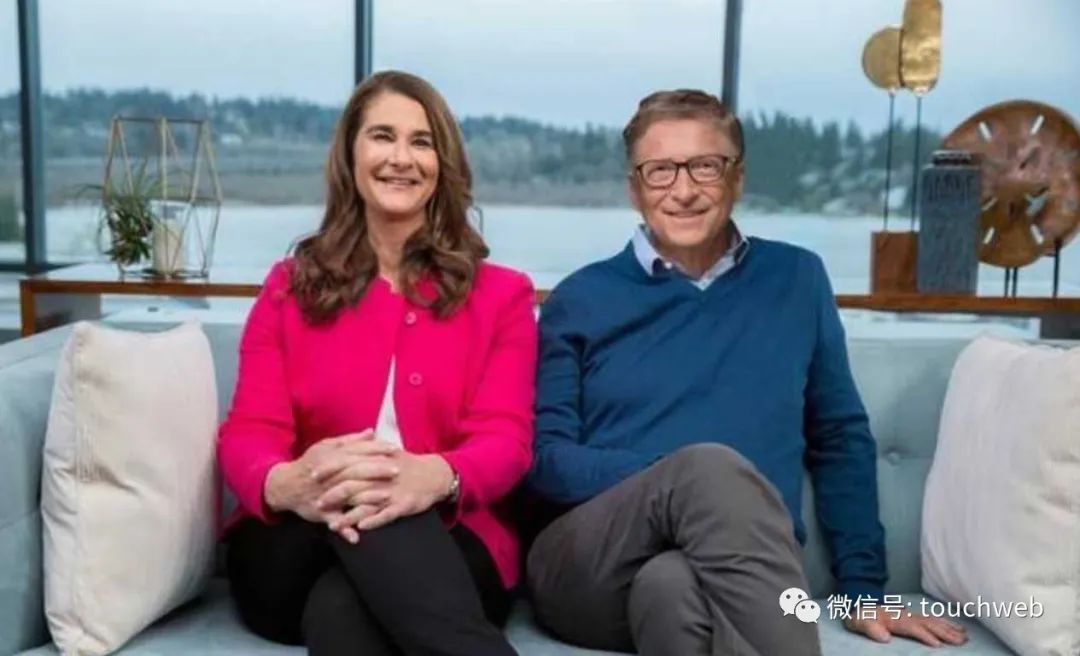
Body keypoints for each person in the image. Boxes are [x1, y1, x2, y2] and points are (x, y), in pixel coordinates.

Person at [524, 89, 969, 655]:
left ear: (737, 177)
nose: (684, 190)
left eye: (705, 167)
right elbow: (545, 460)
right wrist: (676, 480)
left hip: (735, 567)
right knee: (706, 469)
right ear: (635, 189)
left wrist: (862, 589)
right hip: (589, 565)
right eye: (660, 171)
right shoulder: (580, 299)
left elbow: (839, 438)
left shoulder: (797, 279)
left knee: (673, 588)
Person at [218, 70, 536, 656]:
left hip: (446, 541)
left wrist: (433, 477)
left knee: (344, 612)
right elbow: (249, 432)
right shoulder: (288, 288)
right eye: (383, 136)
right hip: (298, 540)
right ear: (351, 154)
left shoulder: (503, 296)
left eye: (422, 142)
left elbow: (506, 439)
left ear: (443, 165)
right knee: (361, 494)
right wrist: (288, 483)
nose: (401, 158)